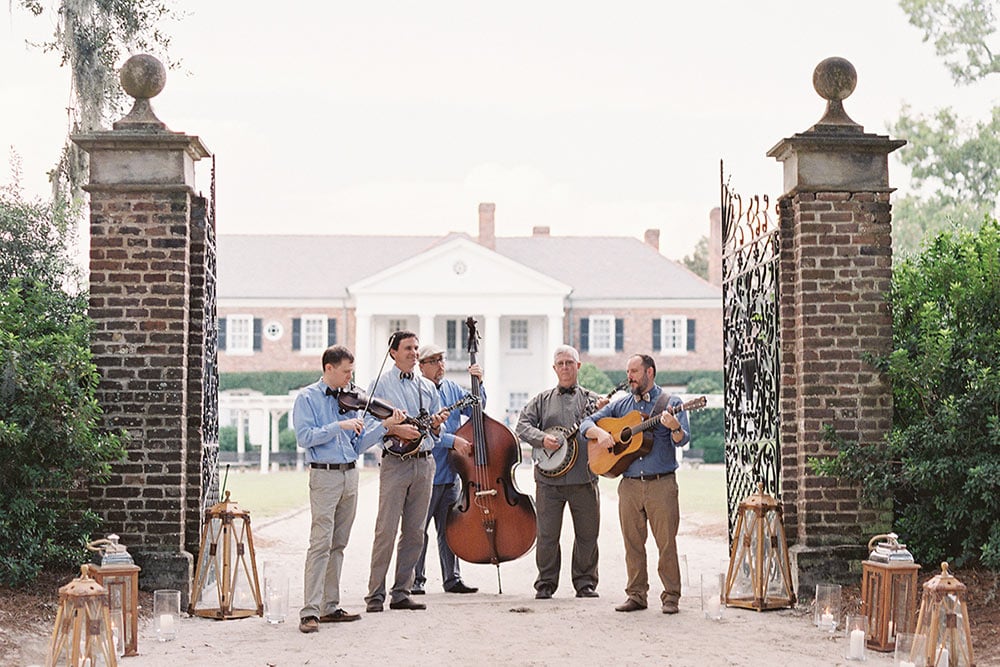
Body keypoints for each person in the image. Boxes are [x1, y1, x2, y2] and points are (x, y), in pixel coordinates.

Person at [293, 345, 405, 634]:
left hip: (350, 475)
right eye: (346, 372)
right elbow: (305, 437)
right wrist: (338, 425)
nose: (350, 378)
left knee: (339, 544)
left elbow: (357, 445)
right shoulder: (307, 398)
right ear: (329, 368)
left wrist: (385, 427)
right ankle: (309, 611)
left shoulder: (350, 401)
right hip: (324, 477)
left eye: (351, 372)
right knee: (320, 543)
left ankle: (331, 606)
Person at [581, 353, 690, 615]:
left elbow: (682, 440)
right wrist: (601, 433)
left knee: (666, 543)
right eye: (628, 372)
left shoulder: (671, 402)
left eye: (634, 372)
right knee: (632, 542)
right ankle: (636, 594)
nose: (629, 377)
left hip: (661, 484)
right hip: (628, 485)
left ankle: (671, 597)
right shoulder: (621, 405)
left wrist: (674, 426)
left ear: (650, 373)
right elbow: (586, 423)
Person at [363, 331, 448, 613]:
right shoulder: (379, 385)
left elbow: (437, 432)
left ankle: (401, 592)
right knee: (385, 530)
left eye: (415, 348)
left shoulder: (427, 387)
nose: (414, 353)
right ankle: (375, 595)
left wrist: (436, 425)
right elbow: (369, 427)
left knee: (415, 532)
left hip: (425, 464)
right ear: (393, 353)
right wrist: (394, 428)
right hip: (395, 464)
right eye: (408, 349)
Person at [516, 345, 608, 600]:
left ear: (578, 366)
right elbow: (522, 425)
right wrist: (542, 438)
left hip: (584, 478)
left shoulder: (594, 400)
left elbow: (609, 424)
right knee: (547, 534)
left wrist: (603, 411)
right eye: (561, 363)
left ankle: (585, 583)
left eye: (570, 362)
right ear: (554, 368)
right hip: (549, 481)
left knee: (587, 534)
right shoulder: (541, 400)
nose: (565, 367)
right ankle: (545, 583)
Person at [411, 343, 483, 595]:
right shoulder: (416, 390)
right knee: (419, 531)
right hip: (427, 473)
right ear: (422, 366)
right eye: (434, 360)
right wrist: (453, 441)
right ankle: (415, 581)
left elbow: (477, 410)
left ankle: (452, 579)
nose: (440, 364)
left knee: (449, 530)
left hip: (451, 474)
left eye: (442, 359)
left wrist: (478, 383)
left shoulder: (453, 388)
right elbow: (423, 429)